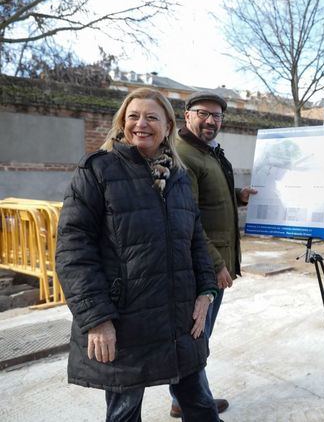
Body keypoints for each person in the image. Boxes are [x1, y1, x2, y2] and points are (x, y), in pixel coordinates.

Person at [55, 88, 222, 422]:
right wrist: (97, 319)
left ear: (168, 126)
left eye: (151, 117)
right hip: (125, 322)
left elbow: (195, 239)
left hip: (179, 320)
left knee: (201, 405)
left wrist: (205, 291)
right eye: (133, 116)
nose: (141, 124)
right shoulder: (97, 171)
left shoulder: (177, 176)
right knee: (124, 414)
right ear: (122, 122)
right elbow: (73, 249)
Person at [171, 90, 256, 418]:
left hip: (210, 261)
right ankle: (196, 403)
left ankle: (184, 399)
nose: (210, 120)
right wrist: (216, 264)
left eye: (217, 116)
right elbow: (187, 217)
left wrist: (239, 196)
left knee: (197, 336)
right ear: (187, 115)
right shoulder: (183, 156)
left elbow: (208, 199)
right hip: (201, 266)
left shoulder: (205, 152)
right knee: (196, 339)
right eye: (203, 113)